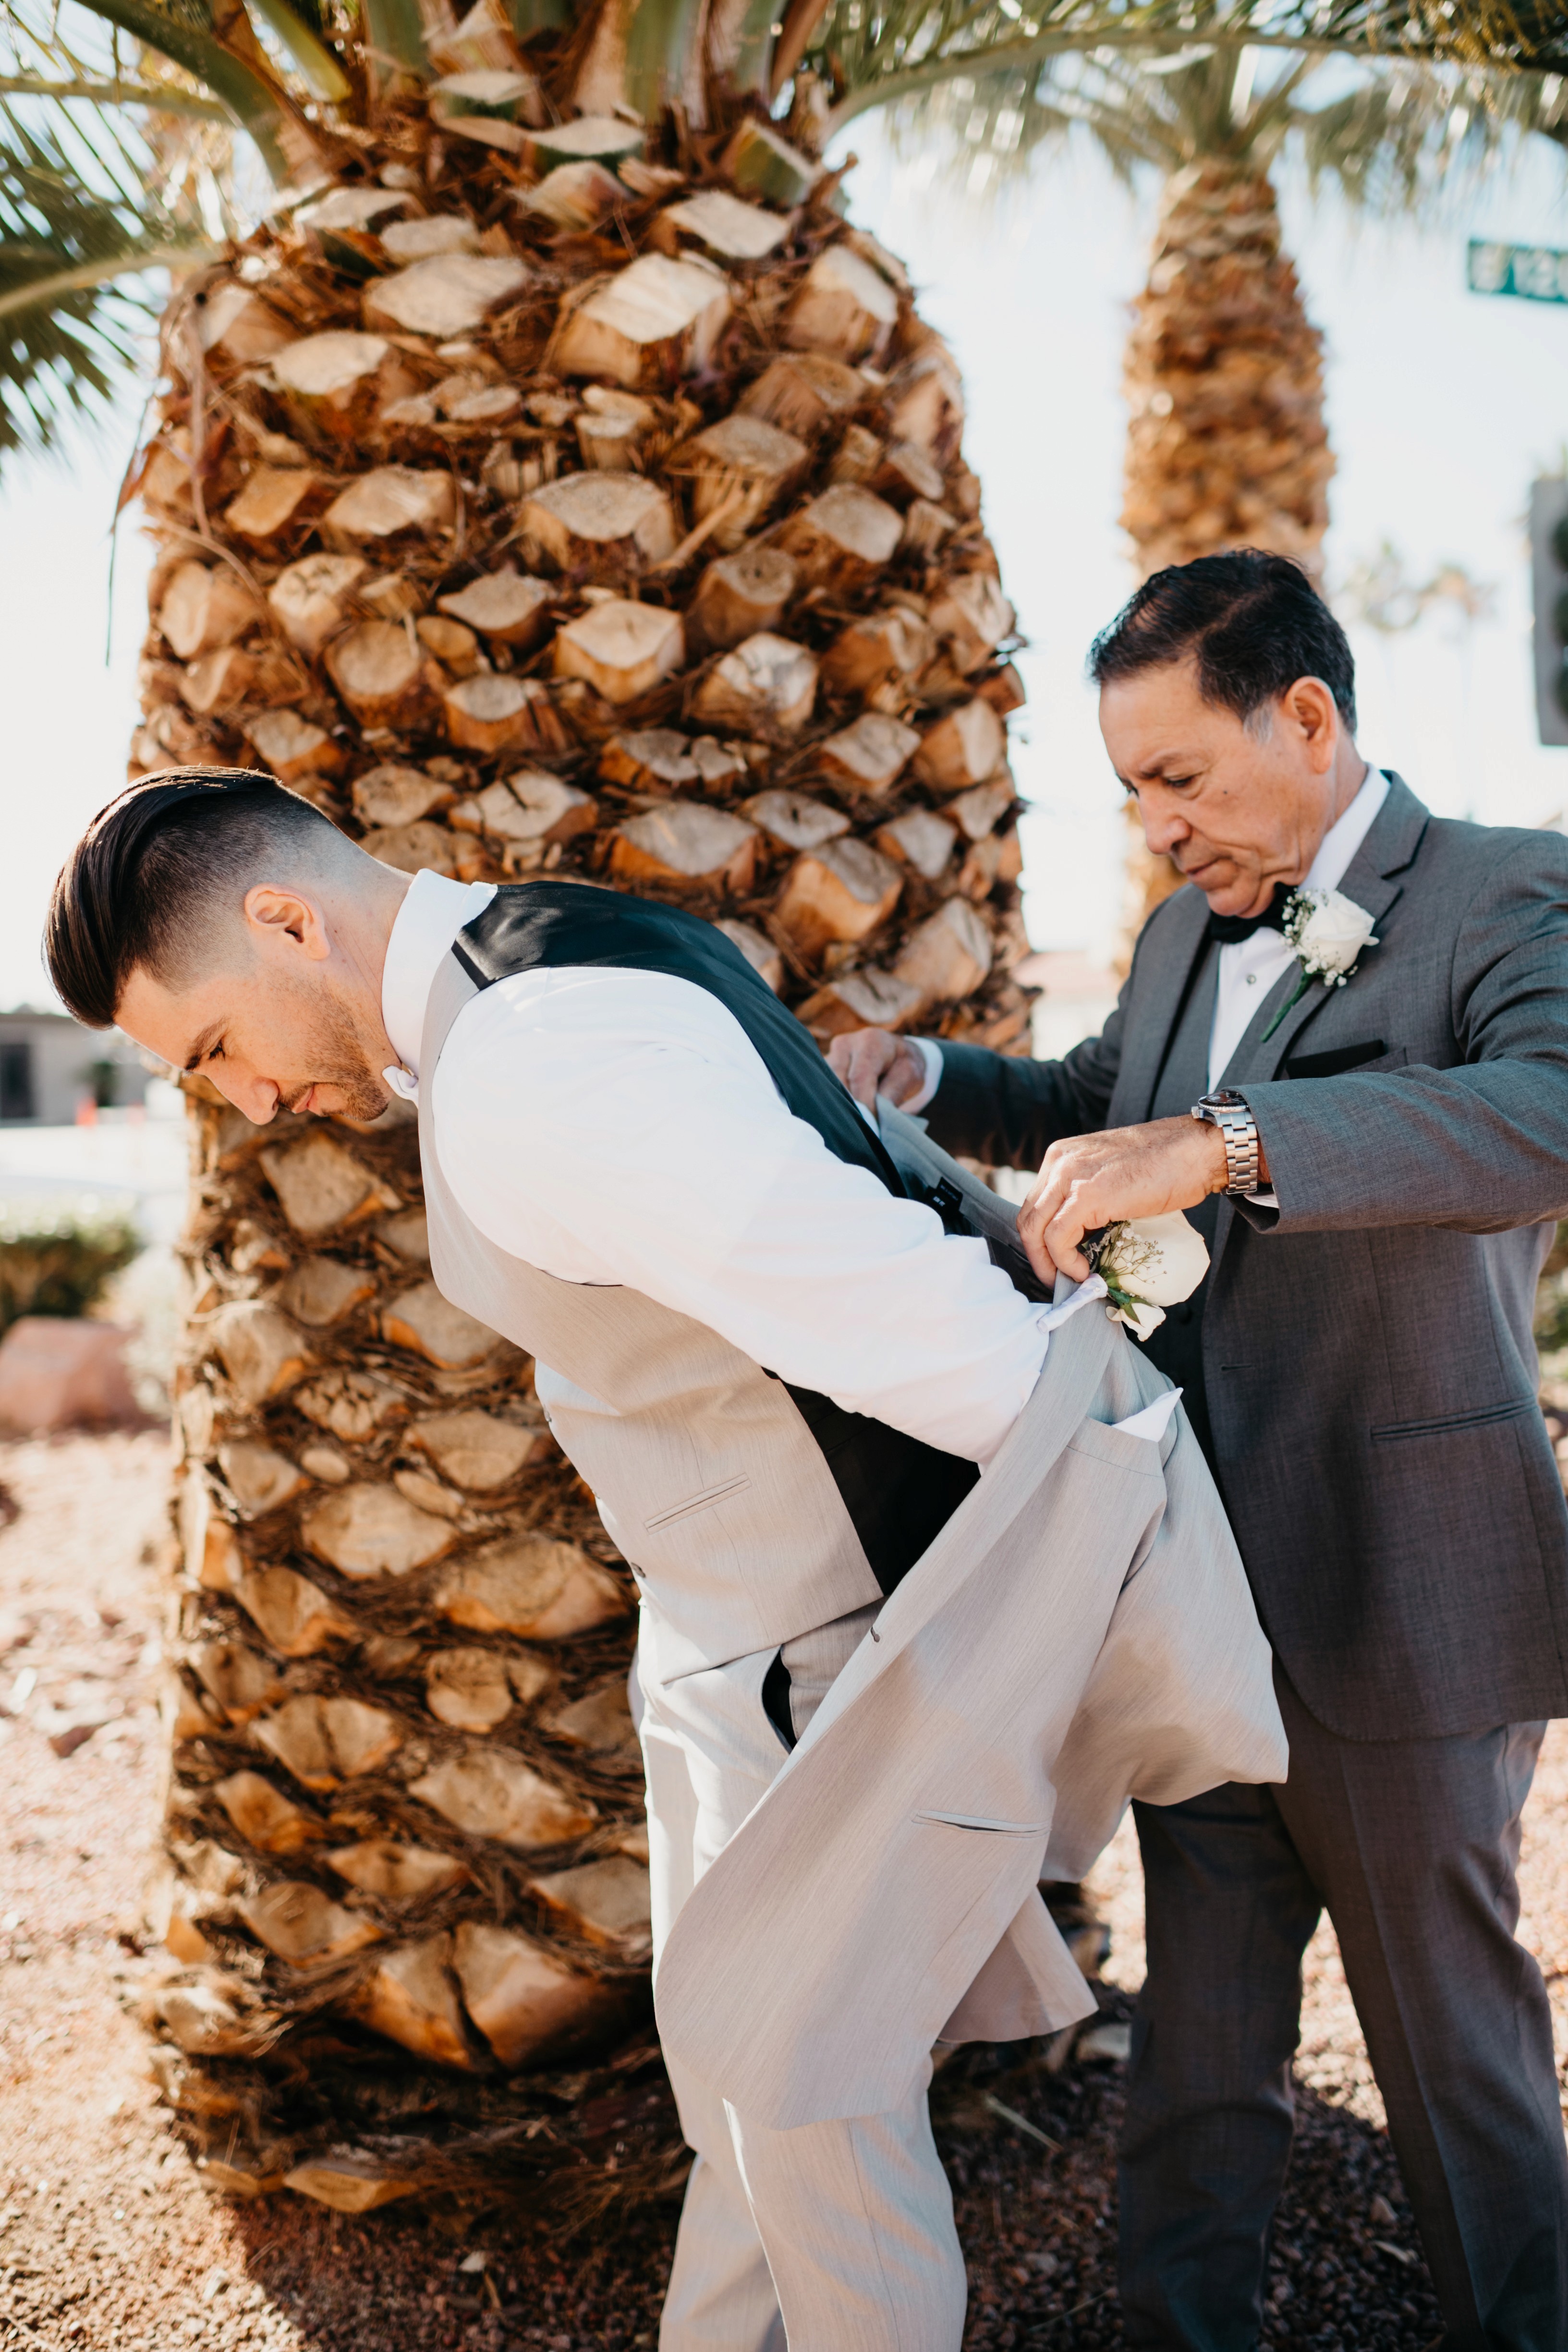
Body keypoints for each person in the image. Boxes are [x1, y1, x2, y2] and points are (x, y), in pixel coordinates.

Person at [46, 771, 1283, 2352]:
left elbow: (905, 1308)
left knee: (812, 2119)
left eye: (218, 1045)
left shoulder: (530, 1067)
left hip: (821, 1648)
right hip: (732, 1633)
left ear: (286, 921)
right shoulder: (559, 939)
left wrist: (1120, 1532)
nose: (247, 1098)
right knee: (740, 2092)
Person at [831, 547, 1568, 2352]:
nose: (1157, 826)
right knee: (1198, 2042)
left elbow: (1545, 1114)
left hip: (1400, 1588)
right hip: (1188, 1579)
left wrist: (1230, 1144)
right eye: (1131, 790)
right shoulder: (1181, 931)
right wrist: (933, 1077)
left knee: (1453, 2055)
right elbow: (1100, 1102)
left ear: (1304, 717)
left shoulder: (1500, 888)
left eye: (1179, 775)